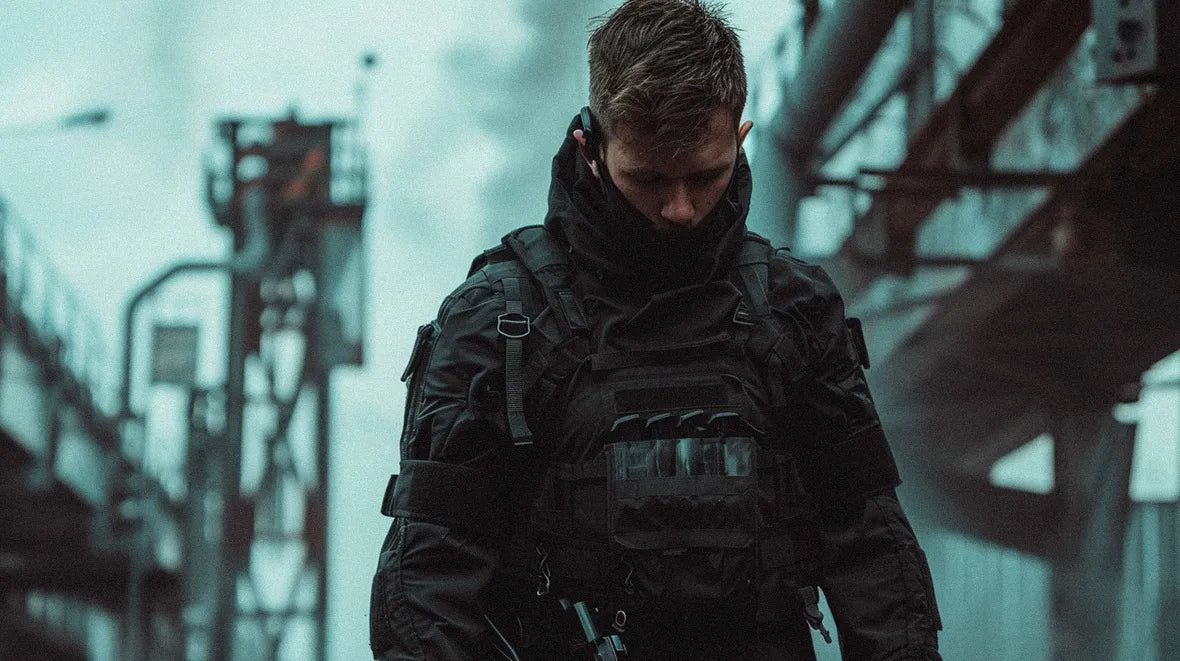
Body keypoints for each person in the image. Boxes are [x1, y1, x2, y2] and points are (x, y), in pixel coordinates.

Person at [370, 1, 942, 658]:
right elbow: (424, 588)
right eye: (648, 178)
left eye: (705, 175)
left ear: (742, 136)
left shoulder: (792, 310)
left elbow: (873, 555)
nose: (681, 209)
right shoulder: (500, 326)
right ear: (591, 146)